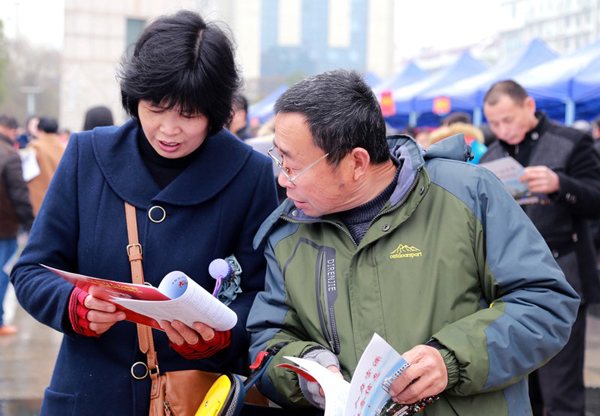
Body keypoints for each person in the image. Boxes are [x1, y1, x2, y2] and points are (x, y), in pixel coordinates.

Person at [246, 70, 579, 414]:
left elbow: (545, 302)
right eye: (278, 158)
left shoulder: (468, 194)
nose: (283, 180)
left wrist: (450, 359)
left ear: (356, 162)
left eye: (293, 166)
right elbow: (268, 341)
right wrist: (307, 370)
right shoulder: (288, 234)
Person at [10, 10, 277, 415]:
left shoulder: (250, 174)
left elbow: (262, 294)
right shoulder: (87, 154)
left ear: (217, 111)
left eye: (189, 114)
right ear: (134, 97)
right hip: (89, 399)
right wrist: (74, 306)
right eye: (155, 107)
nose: (169, 129)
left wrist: (220, 336)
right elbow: (32, 270)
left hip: (192, 401)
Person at [481, 79, 600, 416]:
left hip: (565, 275)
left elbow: (596, 199)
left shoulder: (571, 141)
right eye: (494, 123)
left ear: (529, 106)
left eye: (508, 119)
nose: (502, 129)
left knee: (561, 385)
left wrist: (561, 184)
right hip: (510, 283)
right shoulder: (491, 156)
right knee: (521, 383)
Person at [0, 114, 34, 336]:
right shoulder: (9, 155)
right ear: (12, 131)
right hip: (4, 226)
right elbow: (19, 195)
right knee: (2, 272)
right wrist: (30, 222)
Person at [25, 117, 65, 215]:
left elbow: (26, 174)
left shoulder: (35, 148)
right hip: (59, 200)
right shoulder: (64, 148)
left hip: (39, 201)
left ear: (40, 130)